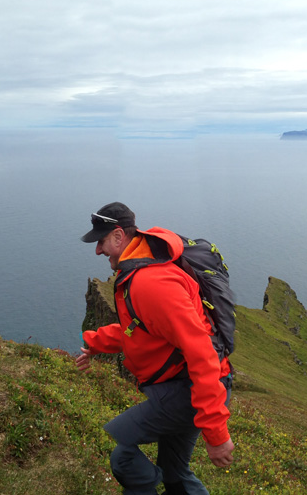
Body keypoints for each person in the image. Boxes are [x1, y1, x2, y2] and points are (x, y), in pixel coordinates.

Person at [76, 202, 234, 495]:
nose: (98, 250)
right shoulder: (142, 262)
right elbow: (138, 330)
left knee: (122, 453)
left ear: (119, 236)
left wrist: (216, 433)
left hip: (187, 391)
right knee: (175, 473)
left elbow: (202, 353)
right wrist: (95, 343)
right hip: (185, 385)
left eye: (101, 241)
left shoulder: (150, 283)